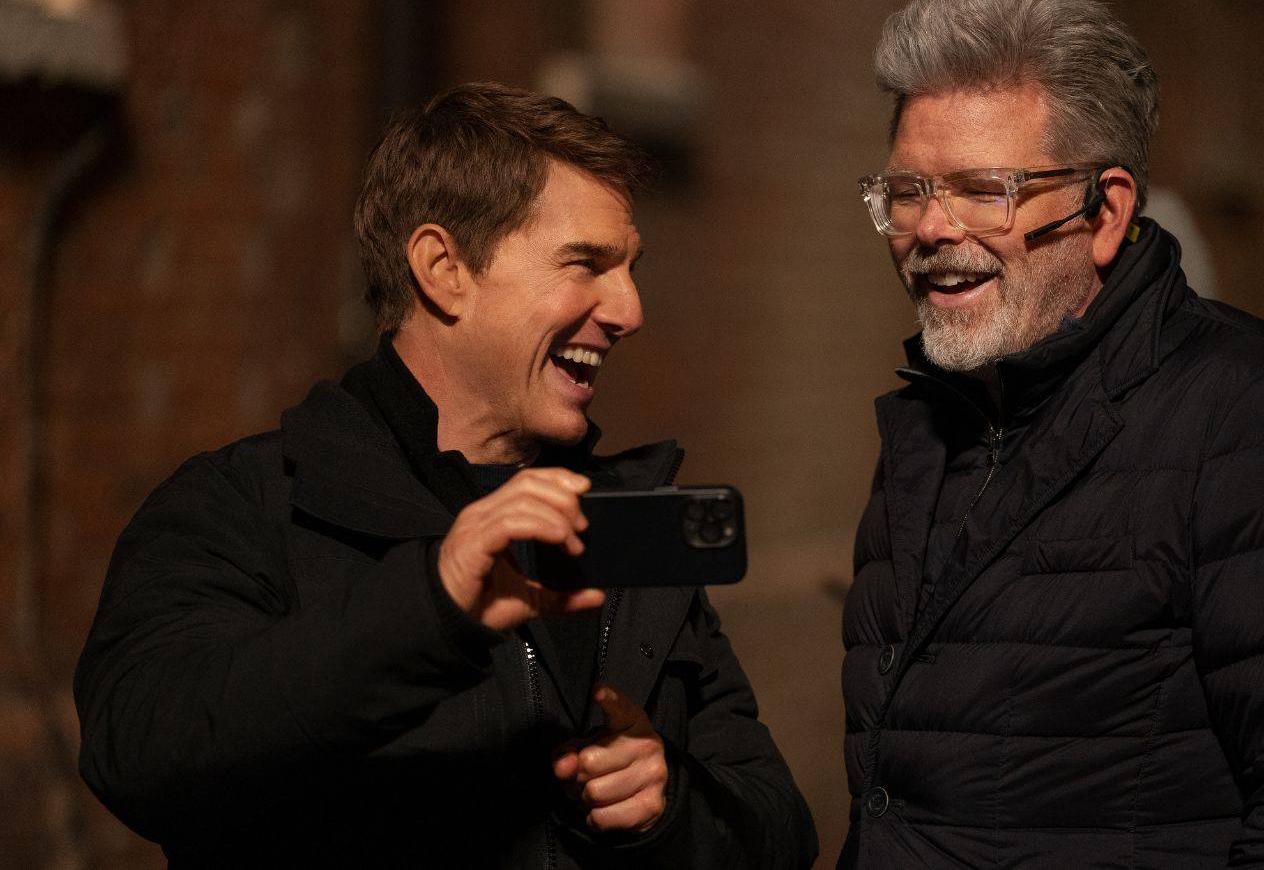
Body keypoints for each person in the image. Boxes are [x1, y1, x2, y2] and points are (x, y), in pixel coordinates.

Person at [74, 83, 817, 870]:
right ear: (443, 268)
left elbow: (777, 832)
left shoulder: (620, 526)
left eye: (630, 267)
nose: (629, 309)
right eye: (585, 264)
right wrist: (432, 608)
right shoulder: (242, 508)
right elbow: (142, 752)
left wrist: (666, 810)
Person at [840, 0, 1264, 868]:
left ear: (1105, 211)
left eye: (982, 190)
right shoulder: (934, 422)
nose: (930, 226)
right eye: (909, 189)